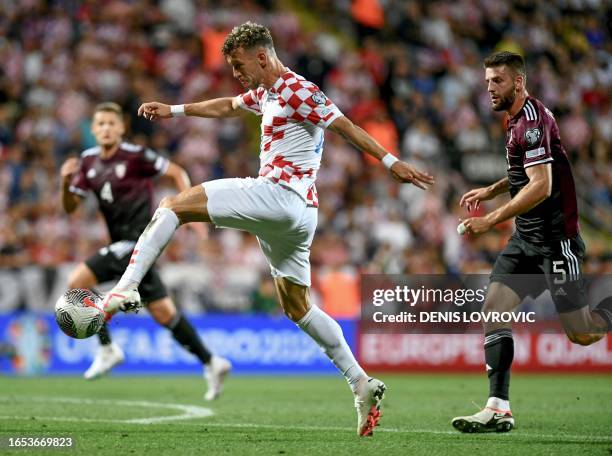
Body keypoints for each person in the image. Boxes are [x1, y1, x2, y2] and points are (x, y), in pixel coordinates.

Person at [100, 22, 434, 437]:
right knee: (298, 307)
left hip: (278, 196)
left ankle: (127, 287)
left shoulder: (300, 91)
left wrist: (391, 164)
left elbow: (346, 127)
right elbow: (228, 105)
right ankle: (361, 382)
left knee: (171, 205)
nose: (237, 74)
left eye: (239, 65)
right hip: (297, 215)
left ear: (262, 56)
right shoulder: (267, 92)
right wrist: (175, 110)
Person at [452, 51, 611, 433]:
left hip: (556, 244)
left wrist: (489, 219)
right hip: (526, 238)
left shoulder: (533, 124)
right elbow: (527, 171)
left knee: (583, 333)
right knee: (493, 308)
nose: (489, 88)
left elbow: (541, 185)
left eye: (497, 81)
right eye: (487, 80)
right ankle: (498, 407)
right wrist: (492, 189)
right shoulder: (517, 120)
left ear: (517, 83)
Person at [60, 102, 231, 400]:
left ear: (122, 127)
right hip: (129, 251)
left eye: (111, 123)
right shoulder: (87, 162)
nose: (105, 129)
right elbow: (70, 207)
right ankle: (212, 361)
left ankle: (107, 349)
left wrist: (190, 211)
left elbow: (177, 172)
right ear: (93, 129)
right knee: (164, 313)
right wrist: (65, 182)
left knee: (76, 284)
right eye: (99, 124)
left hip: (138, 241)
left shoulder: (136, 156)